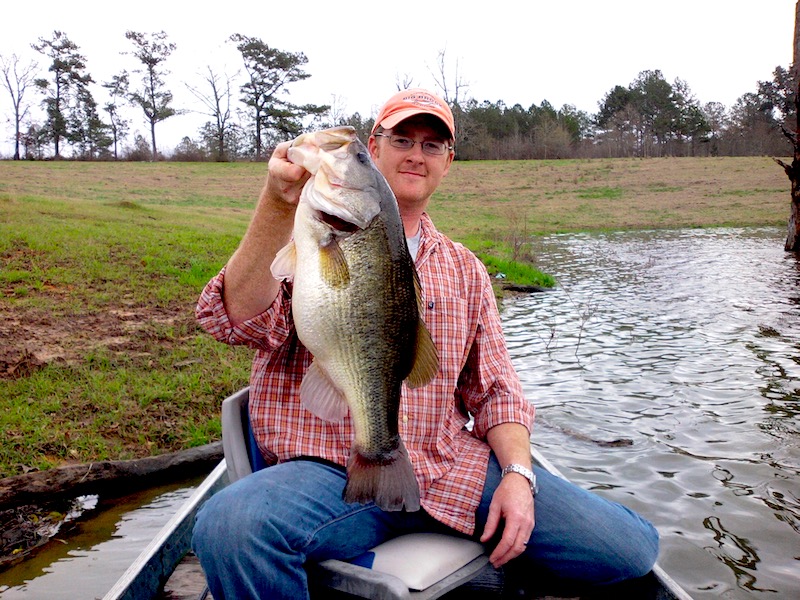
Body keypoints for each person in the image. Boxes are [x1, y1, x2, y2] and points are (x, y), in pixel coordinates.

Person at [192, 88, 659, 599]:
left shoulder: (466, 270)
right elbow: (232, 322)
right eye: (401, 139)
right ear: (376, 144)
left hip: (448, 466)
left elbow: (496, 392)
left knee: (628, 547)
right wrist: (276, 203)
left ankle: (489, 560)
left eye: (432, 145)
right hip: (331, 476)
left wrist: (519, 478)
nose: (416, 154)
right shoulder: (300, 242)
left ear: (448, 162)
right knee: (233, 526)